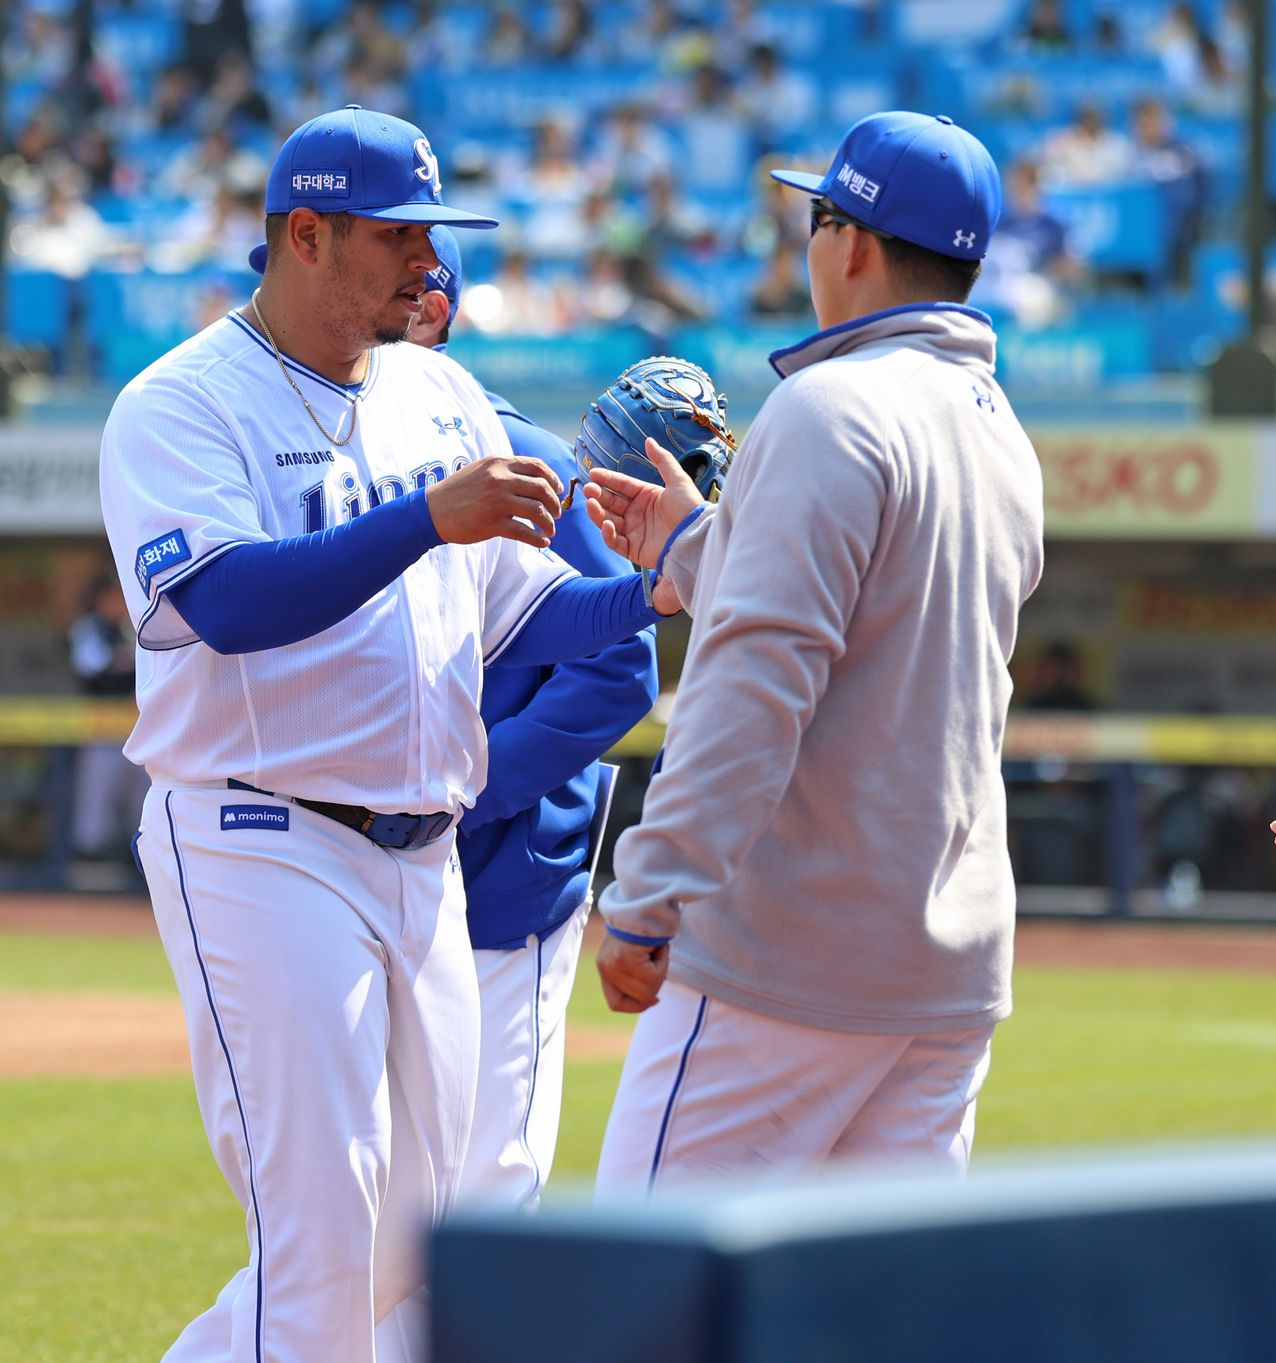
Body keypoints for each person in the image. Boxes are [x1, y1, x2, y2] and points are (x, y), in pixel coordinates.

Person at [99, 106, 693, 1362]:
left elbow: (528, 612)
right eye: (397, 233)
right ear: (305, 234)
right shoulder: (179, 403)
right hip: (264, 835)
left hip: (423, 861)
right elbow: (226, 602)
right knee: (324, 1239)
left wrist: (651, 591)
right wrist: (426, 517)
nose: (428, 259)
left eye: (433, 232)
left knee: (419, 1240)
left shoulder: (438, 390)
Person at [584, 111, 1044, 1189]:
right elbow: (878, 632)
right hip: (942, 975)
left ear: (852, 242)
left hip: (786, 962)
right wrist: (696, 546)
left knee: (645, 1283)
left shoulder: (830, 405)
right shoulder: (997, 429)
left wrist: (650, 890)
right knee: (867, 1289)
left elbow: (755, 680)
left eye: (816, 219)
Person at [403, 228, 661, 1209]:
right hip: (366, 866)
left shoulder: (525, 458)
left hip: (505, 870)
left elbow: (620, 666)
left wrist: (467, 789)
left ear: (430, 310)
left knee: (486, 1189)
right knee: (365, 1196)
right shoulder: (331, 456)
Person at [68, 573, 146, 863]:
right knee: (96, 798)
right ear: (101, 598)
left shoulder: (129, 625)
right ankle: (89, 859)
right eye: (113, 596)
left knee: (140, 794)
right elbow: (93, 668)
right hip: (100, 726)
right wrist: (123, 660)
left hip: (133, 726)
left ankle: (135, 857)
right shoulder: (88, 627)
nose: (119, 602)